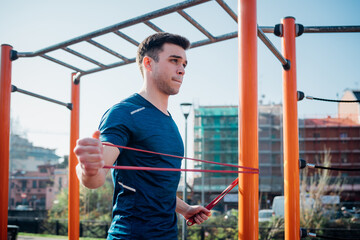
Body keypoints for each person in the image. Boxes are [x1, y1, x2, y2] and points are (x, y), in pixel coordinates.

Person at [74, 32, 211, 240]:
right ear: (148, 63)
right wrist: (88, 169)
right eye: (174, 61)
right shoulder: (124, 112)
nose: (182, 70)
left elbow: (155, 186)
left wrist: (185, 209)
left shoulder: (169, 121)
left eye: (184, 64)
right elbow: (96, 177)